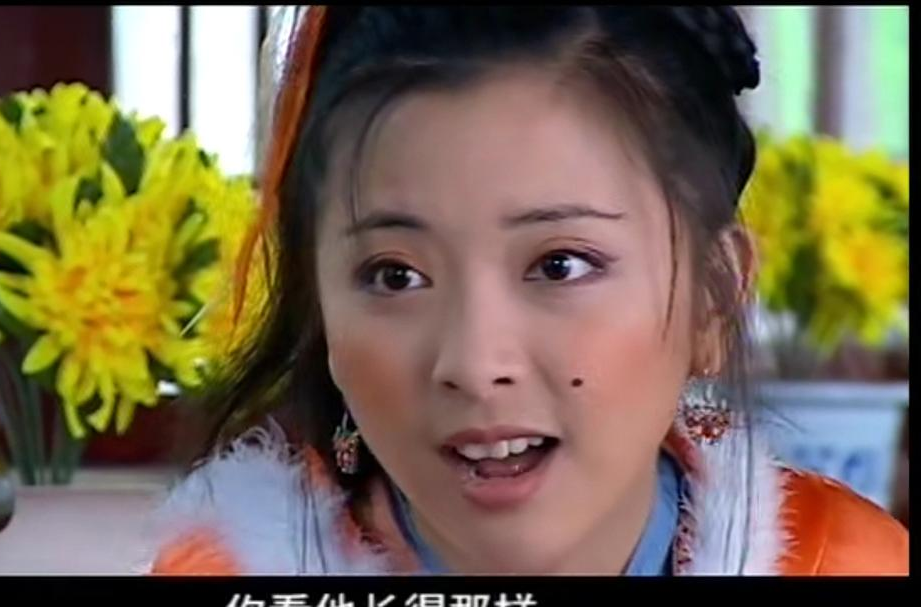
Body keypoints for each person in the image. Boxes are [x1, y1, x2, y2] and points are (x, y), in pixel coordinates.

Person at [149, 6, 908, 575]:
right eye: (395, 275)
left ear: (713, 296)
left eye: (560, 265)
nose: (476, 364)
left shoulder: (848, 562)